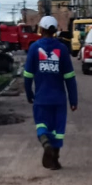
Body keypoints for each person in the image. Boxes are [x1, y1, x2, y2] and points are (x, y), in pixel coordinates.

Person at [24, 15, 78, 170]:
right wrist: (73, 100)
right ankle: (55, 159)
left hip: (41, 98)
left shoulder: (34, 48)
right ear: (54, 31)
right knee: (58, 130)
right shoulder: (62, 49)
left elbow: (27, 75)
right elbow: (69, 77)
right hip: (59, 99)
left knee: (41, 124)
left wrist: (29, 94)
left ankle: (45, 143)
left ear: (41, 29)